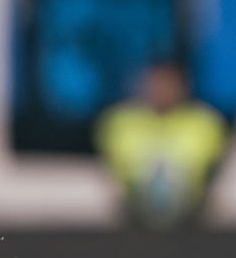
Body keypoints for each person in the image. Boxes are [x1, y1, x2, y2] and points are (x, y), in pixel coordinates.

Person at [94, 60, 228, 228]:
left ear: (183, 86)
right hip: (134, 214)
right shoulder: (118, 121)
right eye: (156, 83)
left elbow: (202, 166)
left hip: (191, 215)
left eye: (168, 83)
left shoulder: (206, 122)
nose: (162, 90)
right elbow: (124, 167)